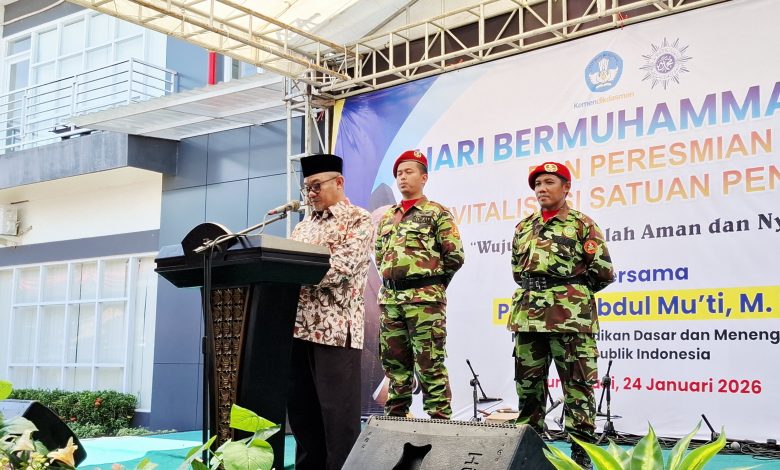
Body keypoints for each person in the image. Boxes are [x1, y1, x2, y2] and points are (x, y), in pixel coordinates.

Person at [508, 161, 614, 469]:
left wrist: (569, 293)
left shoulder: (582, 225)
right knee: (528, 388)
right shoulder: (523, 227)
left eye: (549, 182)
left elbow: (603, 272)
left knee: (577, 388)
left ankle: (581, 454)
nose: (541, 189)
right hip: (529, 317)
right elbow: (518, 272)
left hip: (571, 320)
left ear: (566, 188)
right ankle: (529, 452)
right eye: (538, 184)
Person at [287, 153, 373, 470]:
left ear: (339, 182)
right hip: (298, 330)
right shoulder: (303, 226)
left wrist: (291, 274)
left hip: (336, 332)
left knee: (338, 420)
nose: (311, 194)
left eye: (316, 186)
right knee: (303, 417)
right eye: (306, 188)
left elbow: (341, 269)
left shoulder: (358, 219)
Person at [375, 149, 465, 420]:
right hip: (391, 301)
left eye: (409, 172)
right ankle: (395, 421)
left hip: (424, 302)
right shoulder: (388, 217)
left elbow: (455, 256)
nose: (402, 177)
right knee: (395, 367)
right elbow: (380, 256)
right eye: (399, 174)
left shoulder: (437, 213)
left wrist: (431, 286)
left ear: (424, 177)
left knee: (430, 364)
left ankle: (439, 422)